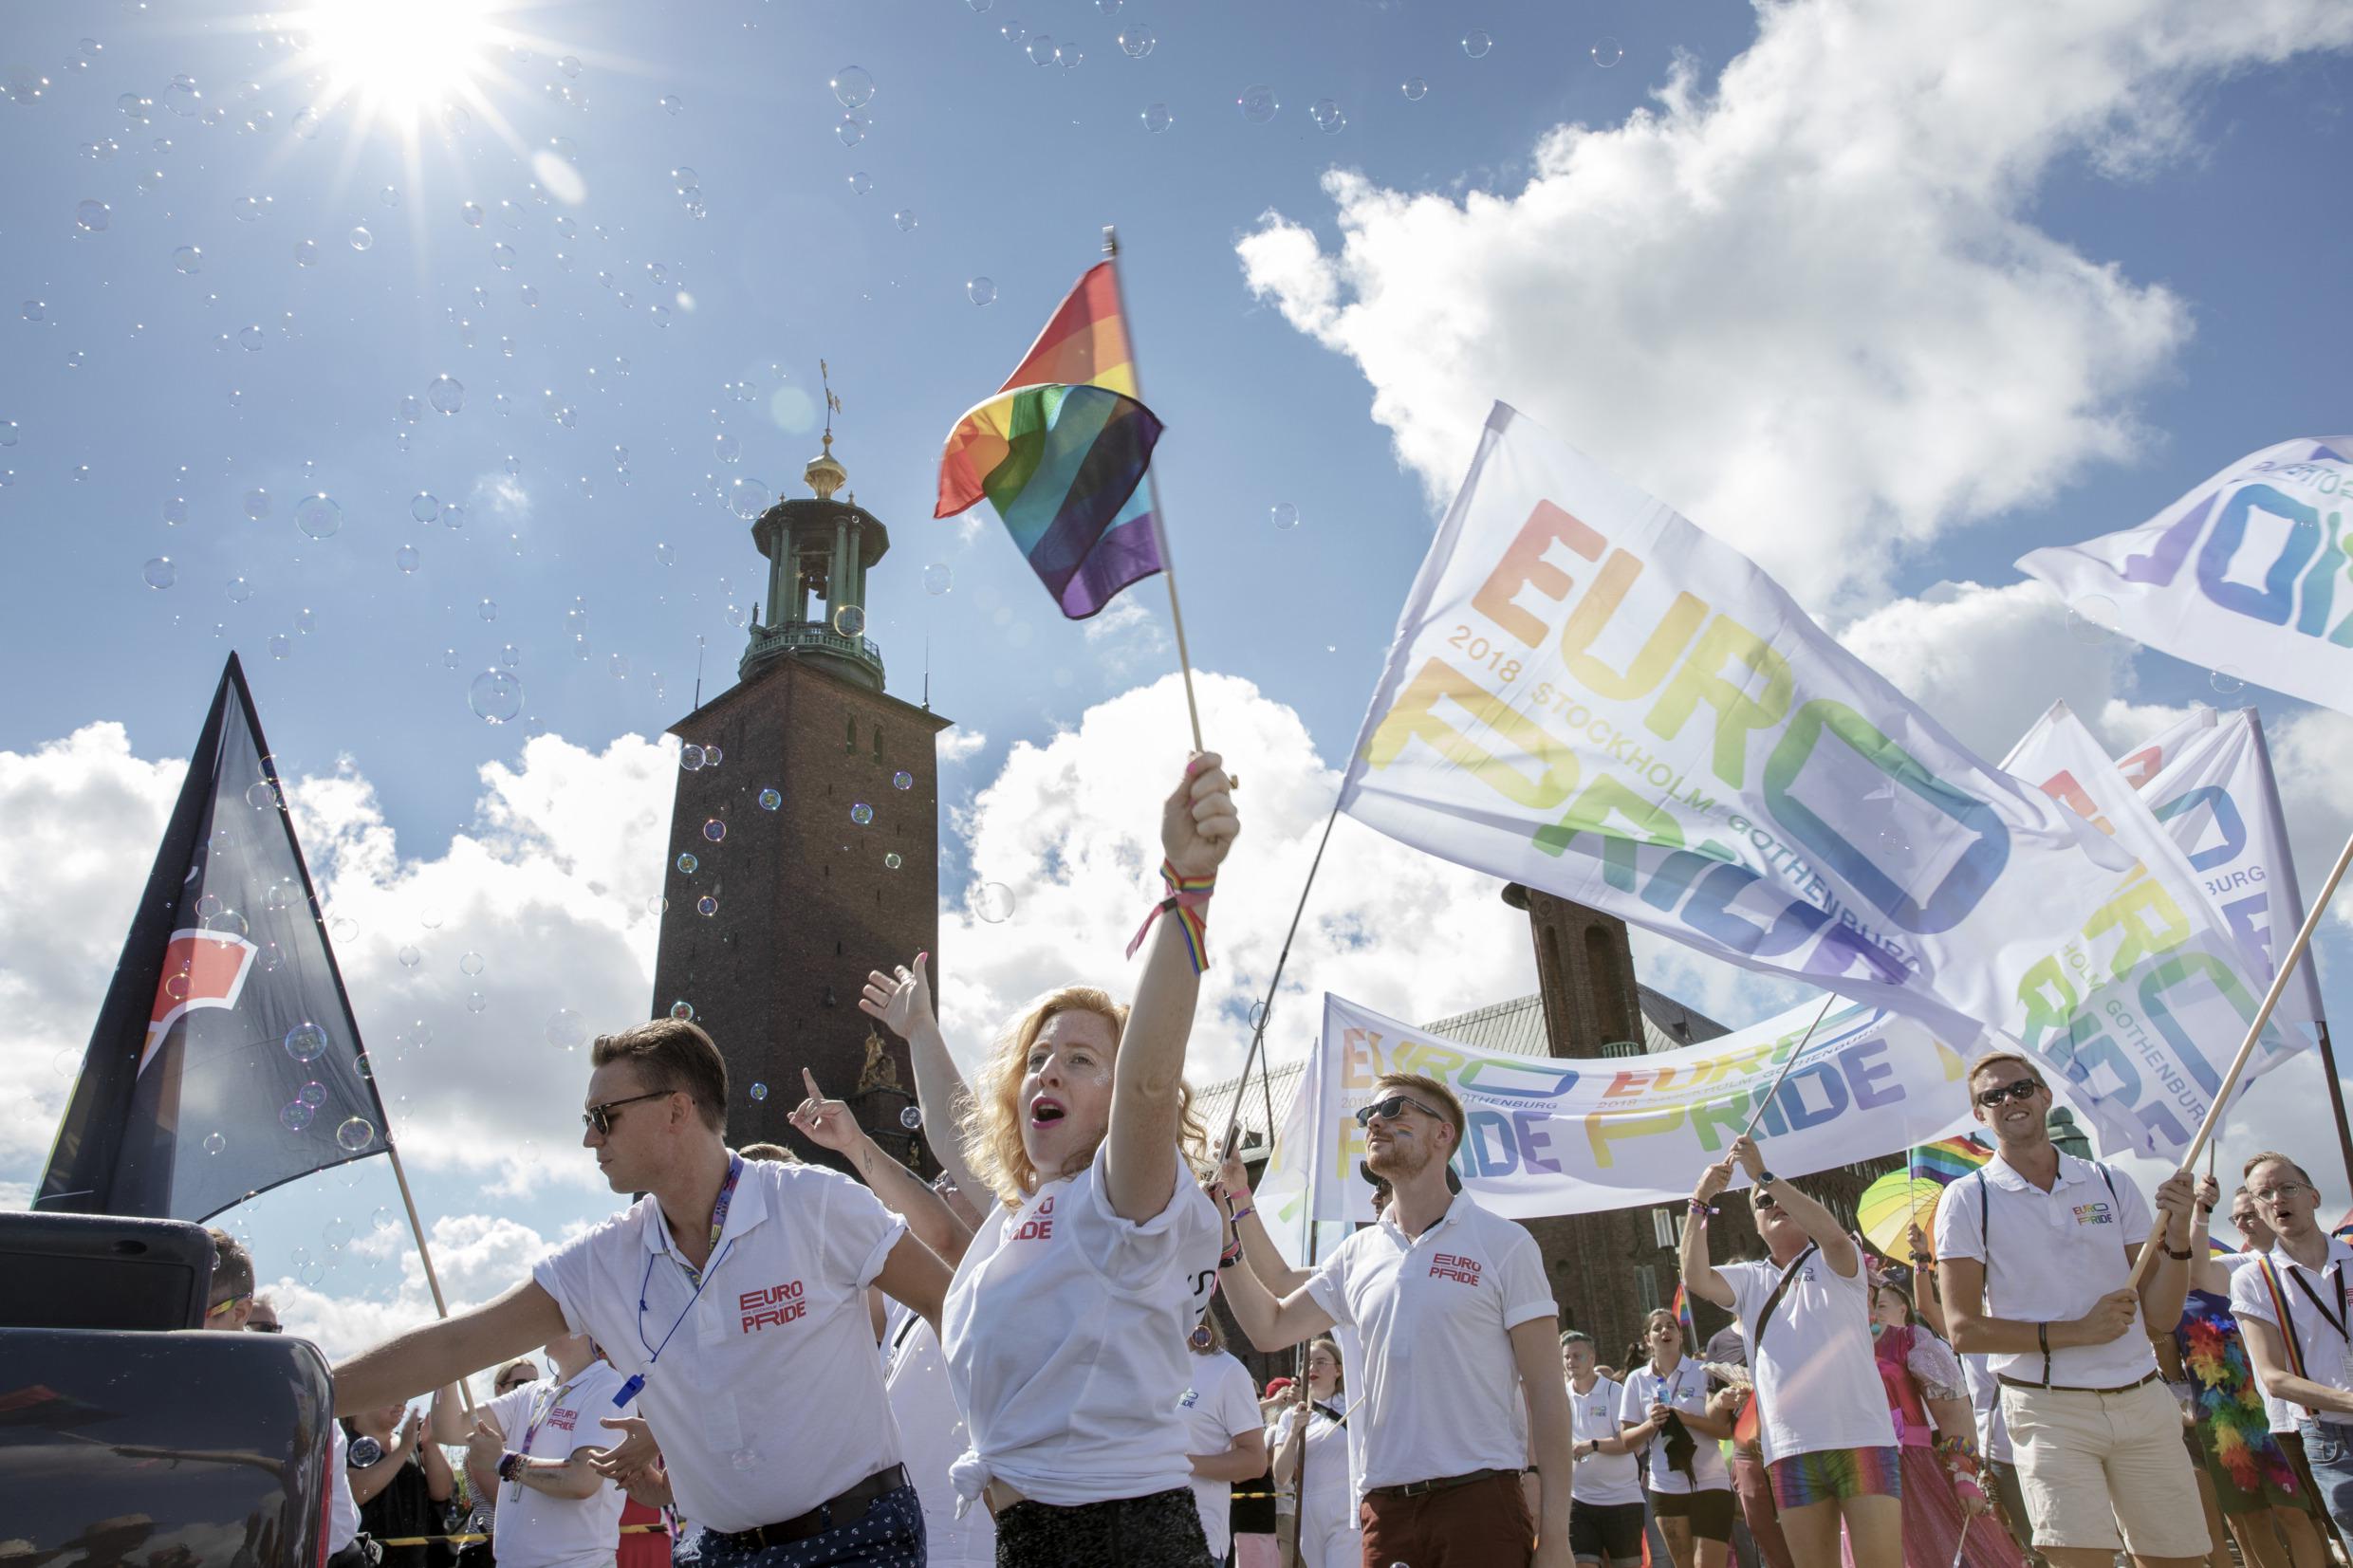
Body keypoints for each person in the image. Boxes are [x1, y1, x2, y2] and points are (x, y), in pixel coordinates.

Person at [332, 1015, 954, 1567]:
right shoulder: (605, 1258)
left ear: (677, 1111)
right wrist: (299, 1392)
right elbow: (456, 1344)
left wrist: (1019, 1448)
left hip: (855, 1541)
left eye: (604, 1117)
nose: (589, 1138)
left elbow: (949, 1303)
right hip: (714, 1550)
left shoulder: (814, 1204)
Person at [912, 750, 1238, 1565]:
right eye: (1037, 1057)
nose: (1049, 1069)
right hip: (1031, 1541)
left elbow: (1151, 1083)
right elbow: (959, 1137)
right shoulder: (1026, 1215)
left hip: (1121, 1539)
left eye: (1083, 1059)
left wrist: (1186, 891)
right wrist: (920, 1030)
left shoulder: (1121, 1199)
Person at [1219, 1071, 1576, 1568]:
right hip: (1384, 1513)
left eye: (1395, 1111)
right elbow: (1271, 1325)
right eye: (1368, 1115)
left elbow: (1547, 1394)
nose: (1374, 1124)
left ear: (1442, 1134)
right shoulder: (1357, 1254)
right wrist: (1226, 1228)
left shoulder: (1504, 1244)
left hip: (1478, 1502)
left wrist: (1556, 1538)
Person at [1934, 1051, 2208, 1568]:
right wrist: (2078, 1331)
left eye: (2019, 1088)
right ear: (1980, 1116)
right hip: (2048, 1407)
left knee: (2181, 1561)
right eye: (1992, 1097)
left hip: (2141, 1398)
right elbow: (1963, 1330)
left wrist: (2176, 1241)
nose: (2009, 1101)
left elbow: (2161, 1319)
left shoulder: (2109, 1181)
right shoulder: (1968, 1199)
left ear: (2044, 1095)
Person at [1683, 1136, 1897, 1568]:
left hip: (1860, 1439)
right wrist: (1700, 1201)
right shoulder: (1749, 1280)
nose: (1773, 1205)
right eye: (1762, 1204)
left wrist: (1763, 1175)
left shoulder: (1838, 1262)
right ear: (1756, 1225)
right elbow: (1695, 1277)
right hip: (1789, 1449)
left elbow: (1834, 1238)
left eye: (1779, 1196)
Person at [2177, 1173, 2327, 1568]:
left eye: (2249, 1215)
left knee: (2306, 1511)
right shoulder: (2243, 1267)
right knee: (2256, 1516)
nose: (2244, 1223)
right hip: (2240, 1415)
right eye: (2237, 1218)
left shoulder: (2326, 1257)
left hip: (2312, 1406)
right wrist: (2200, 1212)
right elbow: (2197, 1272)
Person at [426, 1332, 633, 1568]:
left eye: (555, 1313)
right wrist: (450, 1363)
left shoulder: (609, 1384)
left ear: (580, 1326)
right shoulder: (531, 1391)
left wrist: (503, 1461)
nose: (542, 1323)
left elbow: (582, 1479)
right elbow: (450, 1429)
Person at [2232, 1152, 2353, 1547]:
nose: (2277, 1200)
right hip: (2329, 1435)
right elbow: (2274, 1378)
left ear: (2314, 1197)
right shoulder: (2253, 1279)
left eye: (2288, 1188)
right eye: (2263, 1195)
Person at [1867, 1281, 2021, 1568]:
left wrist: (1963, 1472)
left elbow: (1954, 1409)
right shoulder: (1828, 1349)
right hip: (1857, 1474)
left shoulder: (1910, 1340)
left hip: (1914, 1470)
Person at [1619, 1305, 1736, 1568]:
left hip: (1710, 1480)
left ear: (1681, 1335)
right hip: (1665, 1485)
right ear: (1647, 1339)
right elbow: (1627, 1440)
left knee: (1708, 1563)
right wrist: (1652, 1423)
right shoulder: (1637, 1380)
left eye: (1670, 1326)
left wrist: (1687, 1418)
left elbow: (1727, 1431)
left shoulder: (1704, 1370)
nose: (1664, 1331)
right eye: (1657, 1328)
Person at [1177, 1310, 1271, 1567]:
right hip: (1135, 1530)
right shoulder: (1146, 1366)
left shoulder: (1225, 1370)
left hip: (1195, 1537)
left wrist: (1179, 1463)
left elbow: (1254, 1460)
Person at [1270, 1338, 1359, 1568]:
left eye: (1321, 1362)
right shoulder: (1290, 1416)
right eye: (1307, 1363)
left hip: (1346, 1511)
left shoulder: (1353, 1406)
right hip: (1309, 1514)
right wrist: (1293, 1432)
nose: (1312, 1369)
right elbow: (1281, 1475)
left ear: (1338, 1369)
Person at [1562, 1330, 1644, 1568]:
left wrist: (1593, 1445)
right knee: (1582, 1564)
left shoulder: (1614, 1392)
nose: (1571, 1362)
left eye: (1577, 1356)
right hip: (1579, 1501)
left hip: (1621, 1500)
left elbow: (1629, 1441)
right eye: (1566, 1357)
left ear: (1592, 1358)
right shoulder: (1561, 1395)